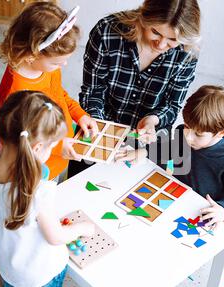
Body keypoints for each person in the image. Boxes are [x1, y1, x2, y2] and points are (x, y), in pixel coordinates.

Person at [0, 91, 94, 287]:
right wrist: (82, 228)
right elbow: (56, 237)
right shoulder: (38, 190)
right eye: (52, 147)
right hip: (42, 273)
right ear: (38, 148)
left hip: (8, 267)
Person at [69, 0, 201, 178]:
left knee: (133, 193)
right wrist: (101, 132)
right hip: (99, 124)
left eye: (172, 40)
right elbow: (92, 92)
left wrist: (152, 120)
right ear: (143, 17)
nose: (161, 45)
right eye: (155, 32)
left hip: (148, 136)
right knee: (80, 183)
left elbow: (172, 105)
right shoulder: (107, 31)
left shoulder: (187, 52)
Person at [116, 85, 224, 226]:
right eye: (186, 126)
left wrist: (223, 210)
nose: (189, 137)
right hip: (177, 195)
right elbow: (170, 149)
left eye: (198, 134)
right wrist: (145, 151)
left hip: (203, 211)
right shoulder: (185, 135)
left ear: (221, 133)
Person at [0, 1, 98, 182]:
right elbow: (22, 139)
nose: (63, 66)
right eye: (57, 62)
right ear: (30, 55)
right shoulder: (17, 92)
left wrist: (80, 115)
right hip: (37, 165)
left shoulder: (47, 67)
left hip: (59, 151)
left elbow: (59, 95)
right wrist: (58, 146)